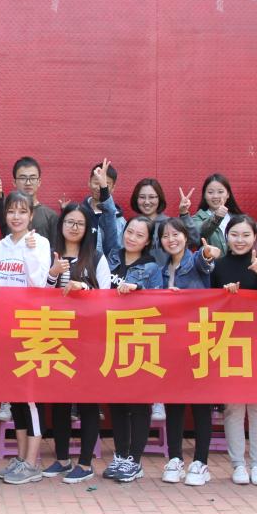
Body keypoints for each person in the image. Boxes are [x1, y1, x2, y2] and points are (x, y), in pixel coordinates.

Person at [93, 160, 161, 483]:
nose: (132, 237)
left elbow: (161, 304)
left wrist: (139, 291)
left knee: (139, 403)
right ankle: (120, 455)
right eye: (130, 231)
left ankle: (135, 459)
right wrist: (104, 189)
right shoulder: (112, 255)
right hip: (111, 338)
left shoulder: (151, 268)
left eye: (139, 234)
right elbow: (109, 219)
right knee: (117, 401)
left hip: (140, 340)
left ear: (148, 241)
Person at [39, 203, 111, 485]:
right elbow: (38, 294)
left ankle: (85, 463)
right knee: (59, 401)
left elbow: (107, 296)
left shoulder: (96, 257)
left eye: (80, 223)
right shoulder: (49, 254)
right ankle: (61, 459)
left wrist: (85, 289)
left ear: (87, 228)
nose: (74, 227)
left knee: (88, 401)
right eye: (69, 221)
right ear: (61, 224)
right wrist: (52, 273)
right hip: (57, 336)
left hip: (88, 339)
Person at [0, 191, 51, 485]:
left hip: (31, 328)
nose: (16, 216)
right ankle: (22, 459)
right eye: (11, 211)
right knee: (15, 397)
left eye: (22, 211)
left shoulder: (40, 243)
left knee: (30, 397)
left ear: (31, 215)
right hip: (5, 329)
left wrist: (31, 253)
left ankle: (33, 462)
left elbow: (39, 283)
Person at [210, 215, 257, 486]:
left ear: (255, 238)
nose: (240, 240)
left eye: (246, 235)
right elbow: (209, 301)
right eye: (234, 235)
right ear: (227, 237)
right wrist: (224, 294)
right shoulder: (219, 265)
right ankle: (237, 464)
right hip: (230, 342)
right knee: (233, 407)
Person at [160, 218, 220, 487]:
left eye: (176, 234)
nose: (171, 240)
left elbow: (206, 263)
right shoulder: (162, 268)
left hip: (198, 339)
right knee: (173, 403)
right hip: (171, 343)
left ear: (186, 237)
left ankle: (200, 462)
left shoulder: (194, 260)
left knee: (200, 403)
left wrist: (207, 254)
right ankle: (174, 458)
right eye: (165, 236)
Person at [129, 177, 200, 266]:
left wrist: (184, 214)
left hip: (166, 274)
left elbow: (194, 241)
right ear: (136, 199)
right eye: (142, 197)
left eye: (152, 197)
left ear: (159, 198)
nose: (147, 202)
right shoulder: (131, 225)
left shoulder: (168, 224)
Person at [0, 156, 58, 243]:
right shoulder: (8, 212)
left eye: (32, 178)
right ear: (14, 182)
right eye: (23, 178)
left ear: (39, 182)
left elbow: (54, 247)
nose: (28, 183)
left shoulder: (50, 216)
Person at [79, 161, 124, 256]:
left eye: (105, 184)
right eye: (96, 182)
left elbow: (119, 253)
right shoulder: (77, 213)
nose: (99, 188)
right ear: (89, 182)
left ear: (113, 187)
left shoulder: (120, 221)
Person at [192, 173, 243, 254]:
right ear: (204, 195)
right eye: (210, 192)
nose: (215, 196)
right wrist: (217, 217)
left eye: (220, 192)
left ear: (228, 194)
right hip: (211, 262)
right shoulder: (197, 219)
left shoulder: (239, 219)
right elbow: (199, 234)